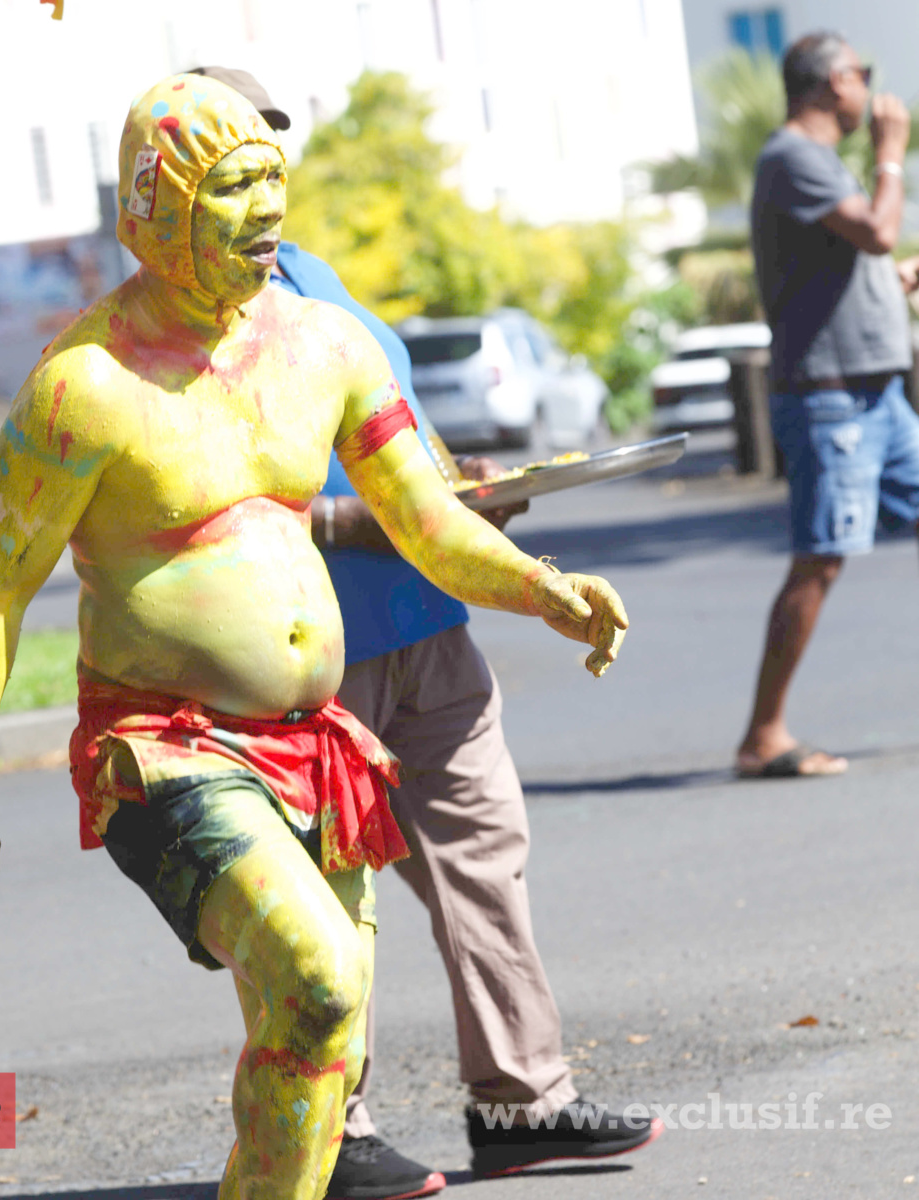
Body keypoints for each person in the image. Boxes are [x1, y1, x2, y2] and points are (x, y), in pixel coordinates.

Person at [0, 74, 628, 1200]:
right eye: (234, 187)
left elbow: (428, 520)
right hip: (169, 748)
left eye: (273, 182)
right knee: (321, 979)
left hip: (319, 745)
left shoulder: (326, 345)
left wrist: (544, 587)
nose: (268, 210)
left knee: (315, 1046)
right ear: (156, 208)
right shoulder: (80, 389)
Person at [188, 63, 664, 1197]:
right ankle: (328, 1133)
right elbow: (191, 498)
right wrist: (359, 522)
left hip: (427, 628)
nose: (263, 174)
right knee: (318, 902)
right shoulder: (168, 326)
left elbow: (387, 423)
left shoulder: (311, 277)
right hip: (301, 656)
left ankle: (521, 1104)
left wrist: (461, 484)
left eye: (271, 146)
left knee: (485, 862)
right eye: (234, 153)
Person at [737, 32, 919, 779]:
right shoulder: (793, 156)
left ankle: (764, 731)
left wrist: (897, 280)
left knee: (823, 559)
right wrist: (890, 151)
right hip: (832, 400)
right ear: (833, 83)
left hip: (877, 396)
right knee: (819, 562)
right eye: (861, 74)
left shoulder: (815, 162)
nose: (871, 90)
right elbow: (876, 231)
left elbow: (850, 262)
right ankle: (763, 736)